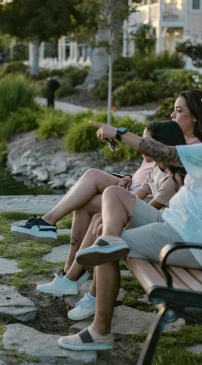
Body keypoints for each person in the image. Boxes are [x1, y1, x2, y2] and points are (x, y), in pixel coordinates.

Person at [57, 84, 202, 351]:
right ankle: (110, 238)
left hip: (189, 242)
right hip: (172, 225)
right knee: (114, 195)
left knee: (104, 250)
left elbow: (165, 153)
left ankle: (100, 332)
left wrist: (118, 133)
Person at [54, 121, 188, 321]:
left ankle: (87, 291)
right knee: (102, 220)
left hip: (163, 232)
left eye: (146, 141)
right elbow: (138, 197)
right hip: (154, 225)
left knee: (105, 231)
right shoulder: (157, 170)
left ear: (161, 145)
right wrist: (124, 186)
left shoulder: (173, 179)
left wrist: (117, 215)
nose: (142, 144)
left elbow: (148, 211)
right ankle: (73, 279)